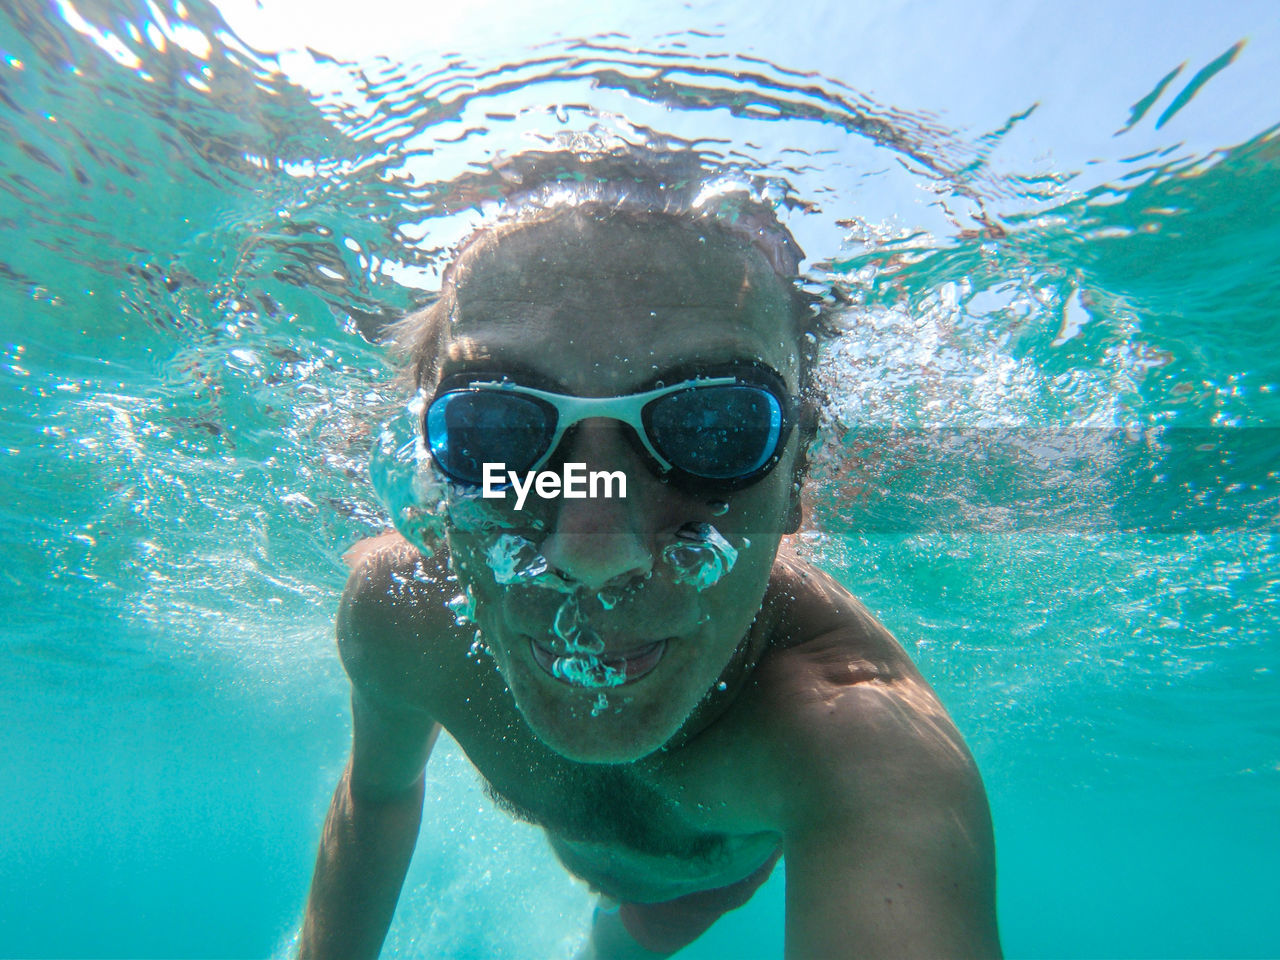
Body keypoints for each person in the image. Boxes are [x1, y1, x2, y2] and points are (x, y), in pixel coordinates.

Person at [298, 147, 1001, 960]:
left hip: (700, 887)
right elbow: (376, 801)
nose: (593, 554)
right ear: (429, 464)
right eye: (497, 428)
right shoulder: (399, 614)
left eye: (715, 428)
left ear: (798, 473)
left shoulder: (852, 735)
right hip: (670, 854)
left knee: (636, 939)